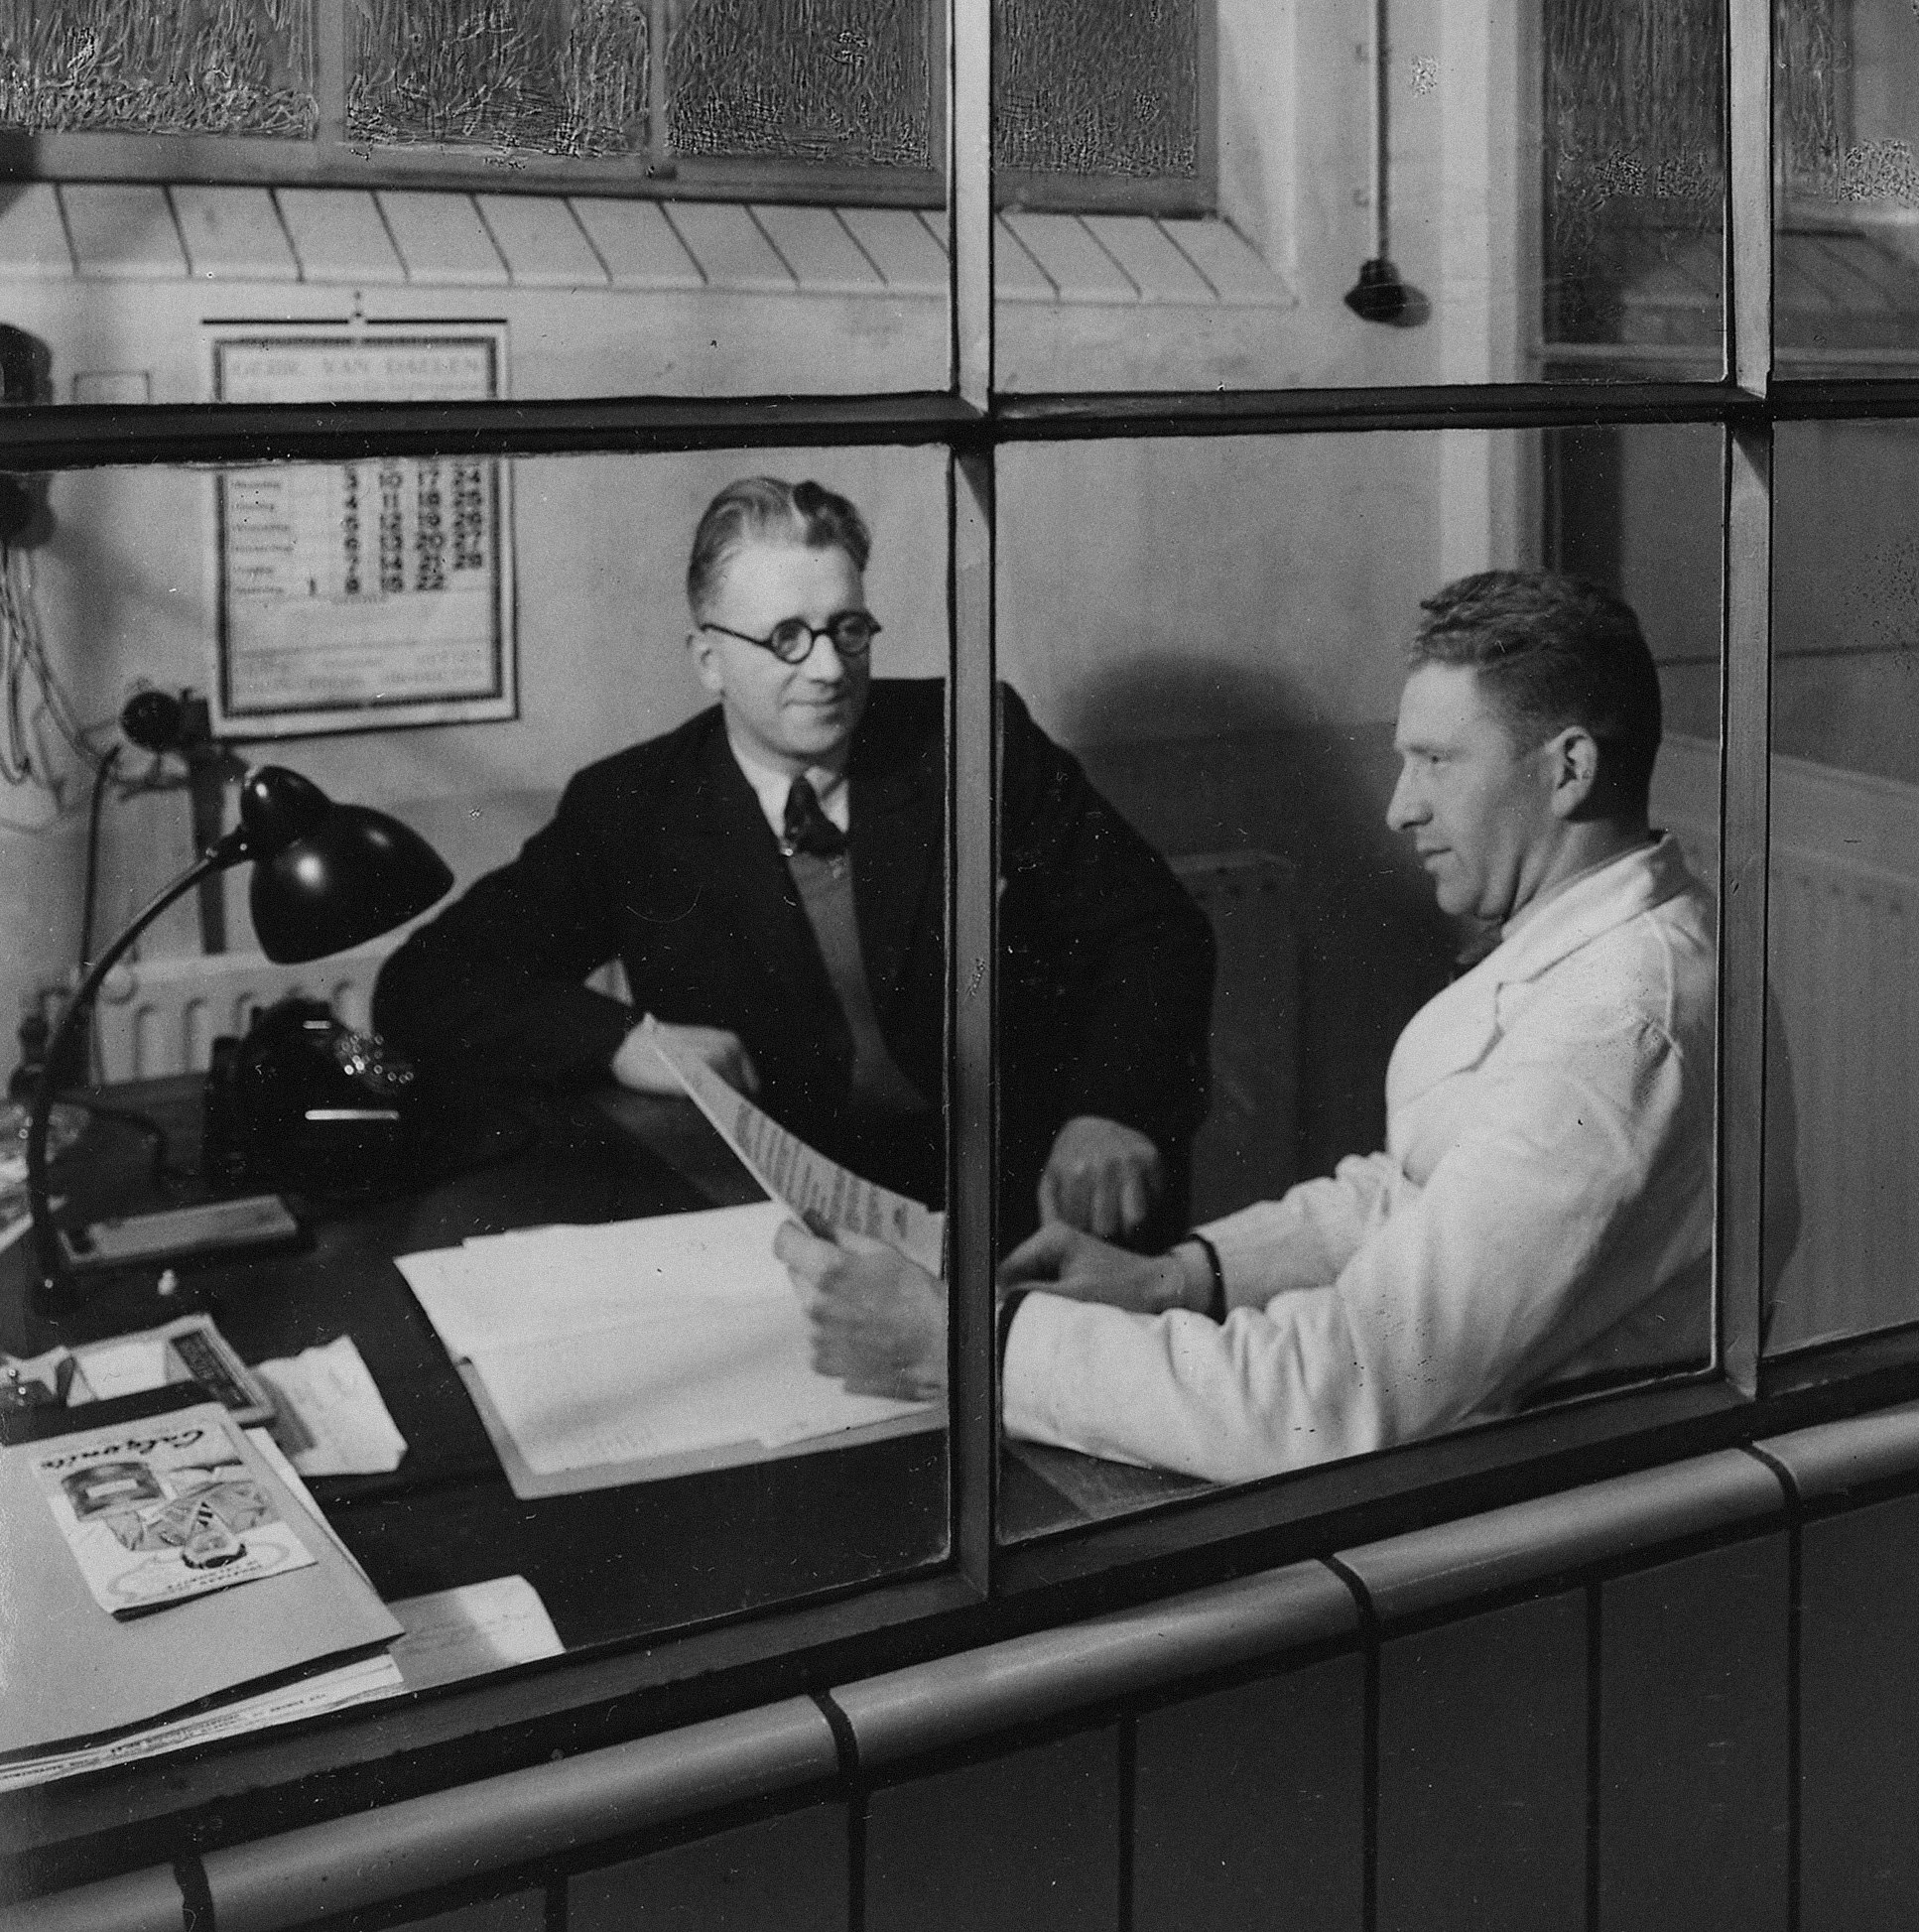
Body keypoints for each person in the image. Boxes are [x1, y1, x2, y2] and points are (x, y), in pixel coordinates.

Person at [783, 569, 1783, 1482]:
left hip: (1561, 1514)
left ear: (1567, 771)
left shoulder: (1613, 1033)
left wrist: (961, 1346)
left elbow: (1325, 1401)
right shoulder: (1607, 941)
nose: (1400, 808)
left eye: (1437, 762)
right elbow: (1417, 1193)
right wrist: (1175, 1279)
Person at [374, 476, 1215, 1245]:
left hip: (1014, 1195)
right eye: (785, 637)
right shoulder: (633, 807)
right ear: (710, 659)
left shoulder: (972, 738)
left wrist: (1115, 1108)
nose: (827, 668)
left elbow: (1156, 929)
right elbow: (426, 982)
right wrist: (623, 1040)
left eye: (848, 628)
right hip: (783, 1228)